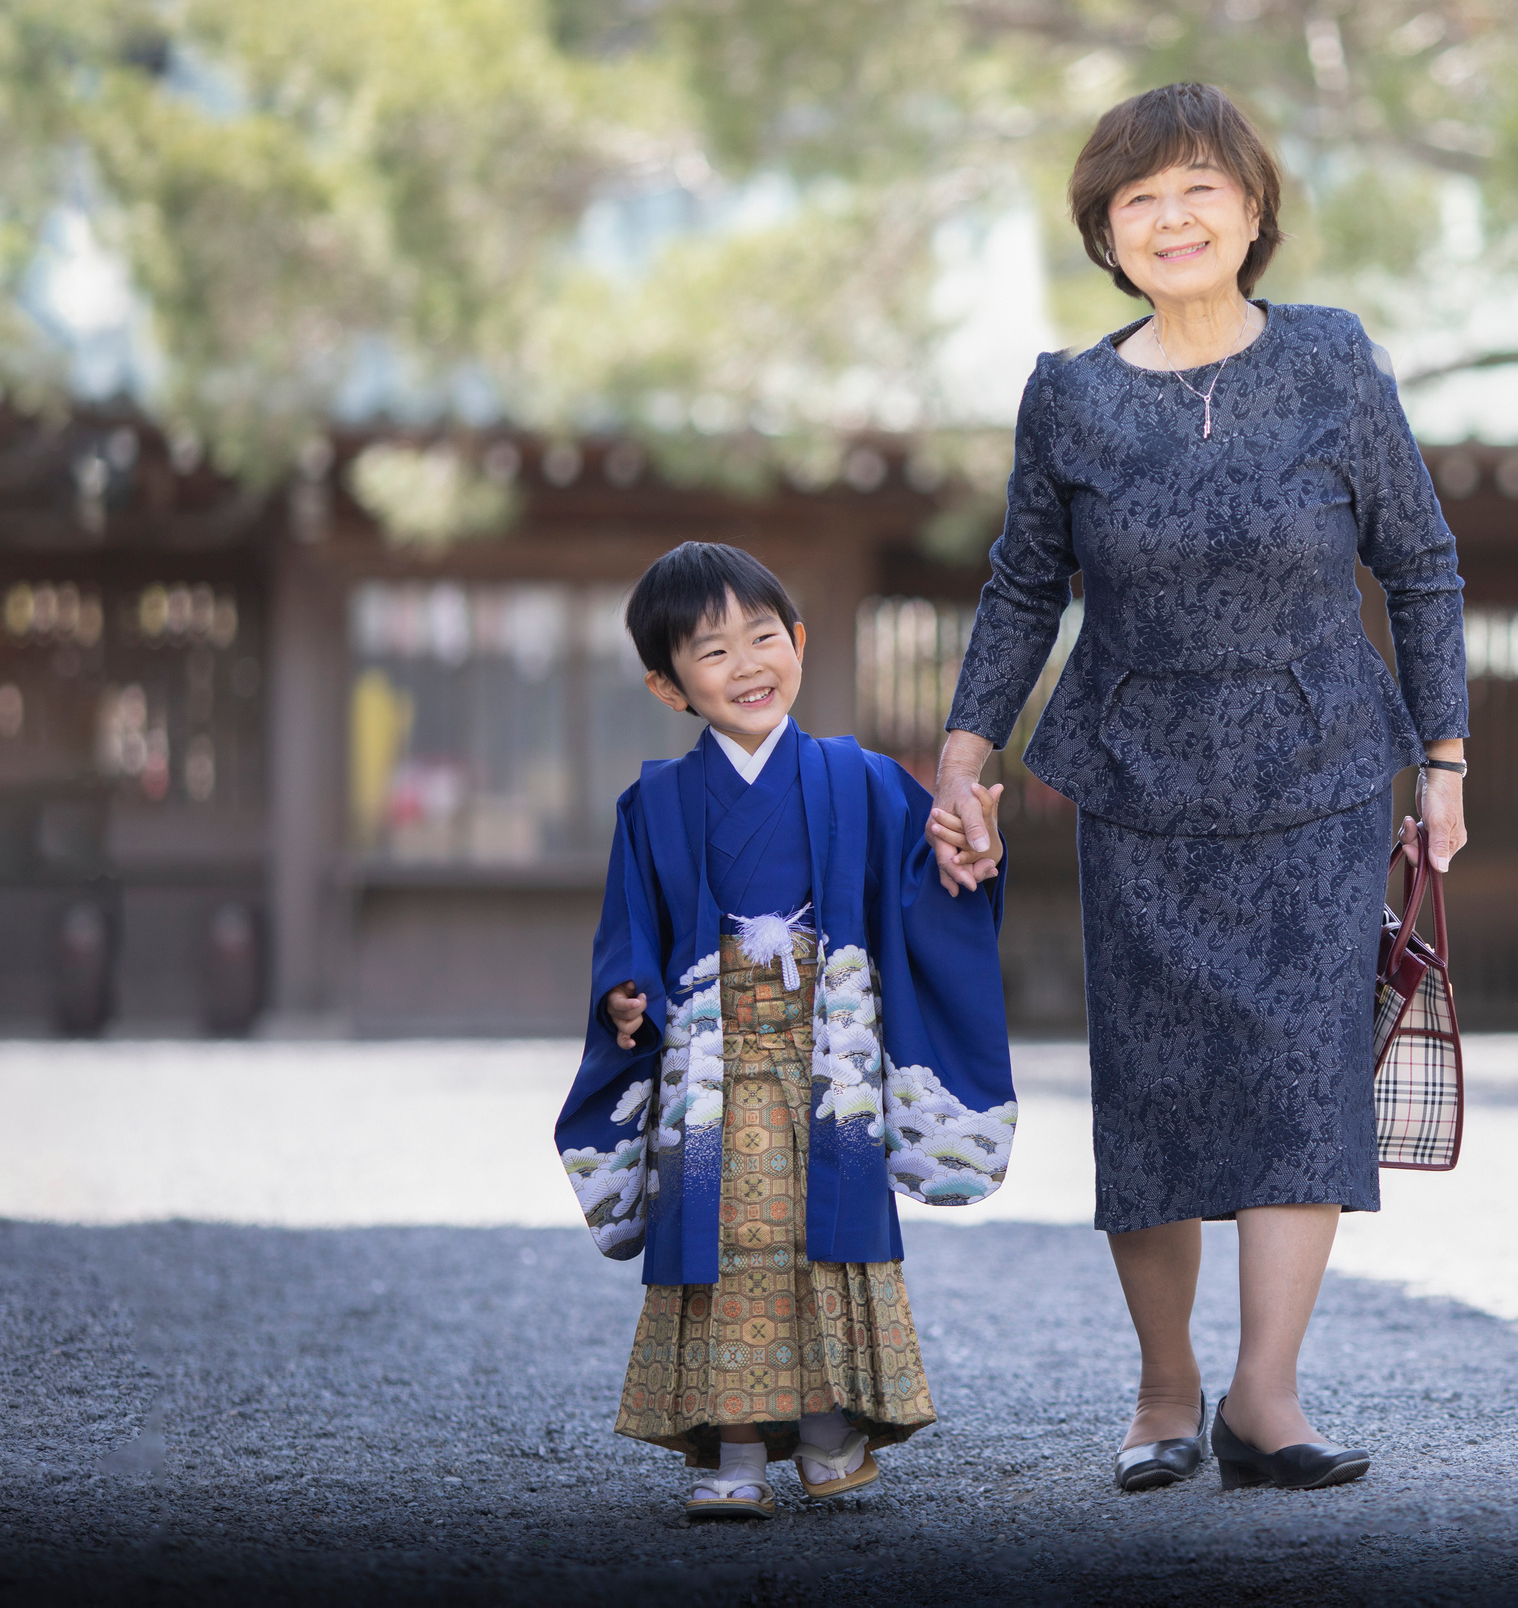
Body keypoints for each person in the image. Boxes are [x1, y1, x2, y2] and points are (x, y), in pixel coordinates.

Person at [930, 83, 1470, 1493]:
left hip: (1320, 770)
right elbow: (1022, 588)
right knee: (1156, 1090)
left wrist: (1445, 758)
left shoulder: (1334, 358)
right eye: (1138, 200)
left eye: (1198, 190)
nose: (1171, 219)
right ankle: (1165, 1385)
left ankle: (1265, 1396)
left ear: (1253, 209)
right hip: (1138, 781)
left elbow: (1420, 564)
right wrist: (965, 753)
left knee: (1304, 1081)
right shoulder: (1069, 394)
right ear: (1105, 234)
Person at [554, 541, 1016, 1520]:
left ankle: (827, 1425)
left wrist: (963, 862)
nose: (747, 664)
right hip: (711, 1066)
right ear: (669, 686)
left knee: (825, 1239)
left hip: (830, 1055)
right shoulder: (656, 803)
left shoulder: (860, 779)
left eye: (762, 637)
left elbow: (926, 884)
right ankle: (733, 1449)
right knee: (733, 1238)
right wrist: (626, 993)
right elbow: (629, 929)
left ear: (798, 642)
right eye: (712, 651)